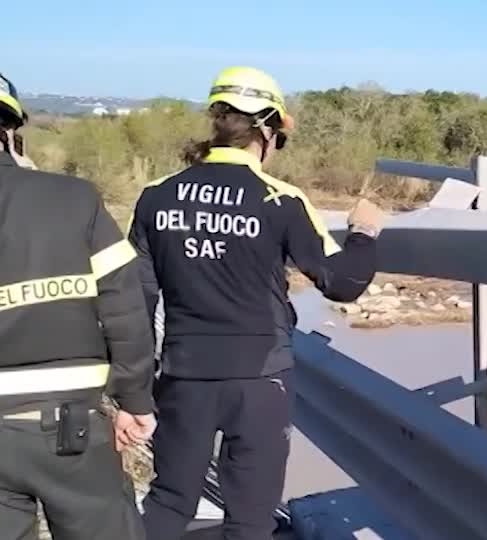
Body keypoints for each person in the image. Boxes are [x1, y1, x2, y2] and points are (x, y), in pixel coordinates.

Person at [130, 66, 385, 540]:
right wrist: (365, 232)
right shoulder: (281, 199)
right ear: (267, 129)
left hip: (184, 373)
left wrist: (136, 392)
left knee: (169, 501)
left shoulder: (156, 197)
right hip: (260, 377)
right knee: (250, 519)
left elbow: (138, 300)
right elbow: (342, 282)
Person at [0, 71, 157, 539]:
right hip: (71, 431)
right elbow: (124, 308)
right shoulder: (74, 199)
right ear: (11, 132)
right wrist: (134, 401)